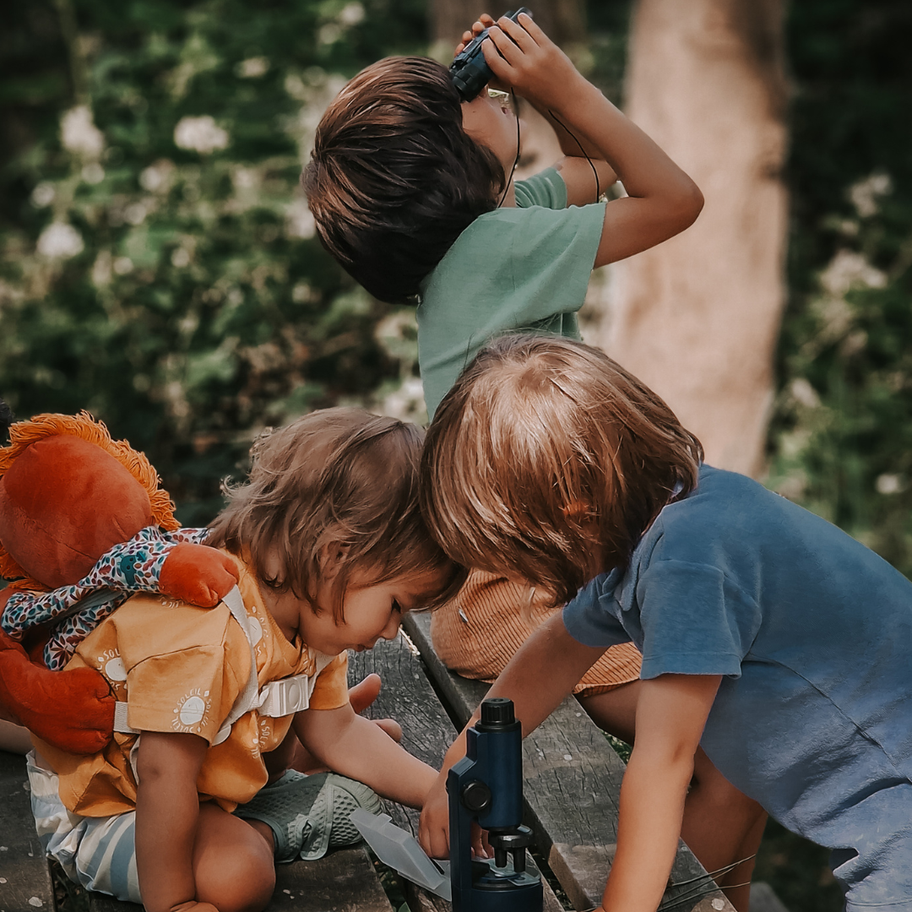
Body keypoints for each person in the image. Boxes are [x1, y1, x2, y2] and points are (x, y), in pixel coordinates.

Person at [302, 15, 766, 905]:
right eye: (468, 100)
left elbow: (609, 171)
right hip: (524, 592)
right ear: (457, 165)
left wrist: (543, 102)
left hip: (518, 579)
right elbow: (676, 199)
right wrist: (561, 90)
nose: (494, 93)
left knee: (727, 740)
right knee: (731, 753)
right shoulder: (500, 244)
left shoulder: (499, 227)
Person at [417, 334, 912, 912]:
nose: (519, 576)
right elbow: (554, 651)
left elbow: (663, 767)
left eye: (515, 552)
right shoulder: (663, 526)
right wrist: (456, 773)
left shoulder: (687, 564)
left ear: (569, 510)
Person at [28, 407, 465, 912]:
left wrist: (440, 794)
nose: (392, 632)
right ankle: (266, 827)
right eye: (395, 606)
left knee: (357, 780)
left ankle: (270, 799)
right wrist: (171, 905)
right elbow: (162, 774)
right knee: (239, 875)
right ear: (336, 555)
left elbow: (340, 732)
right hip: (107, 806)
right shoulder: (207, 628)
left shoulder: (315, 622)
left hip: (195, 788)